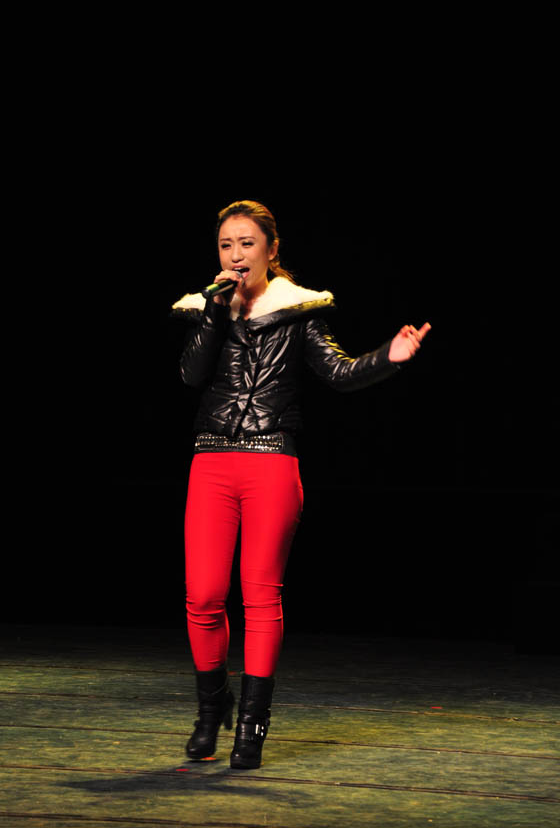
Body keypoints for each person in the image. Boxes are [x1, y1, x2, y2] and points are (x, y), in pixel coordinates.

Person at [171, 200, 431, 769]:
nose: (235, 255)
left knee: (260, 595)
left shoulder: (297, 312)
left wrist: (389, 357)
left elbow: (338, 372)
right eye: (226, 245)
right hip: (211, 462)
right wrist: (215, 311)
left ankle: (251, 725)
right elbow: (191, 375)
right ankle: (212, 710)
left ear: (270, 249)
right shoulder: (207, 308)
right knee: (203, 596)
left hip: (271, 462)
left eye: (246, 243)